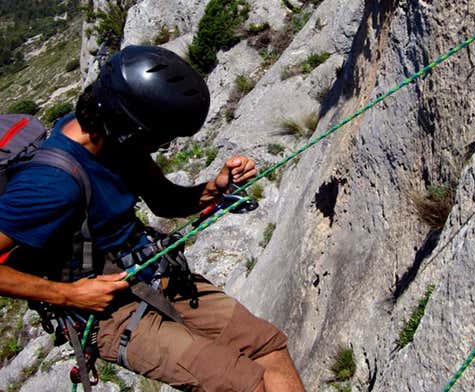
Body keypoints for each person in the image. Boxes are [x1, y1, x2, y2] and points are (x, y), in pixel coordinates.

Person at [0, 45, 305, 392]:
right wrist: (70, 295)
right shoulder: (51, 186)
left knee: (267, 346)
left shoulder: (111, 135)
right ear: (132, 129)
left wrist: (214, 189)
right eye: (159, 139)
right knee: (241, 382)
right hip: (110, 313)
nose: (159, 148)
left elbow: (164, 200)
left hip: (157, 273)